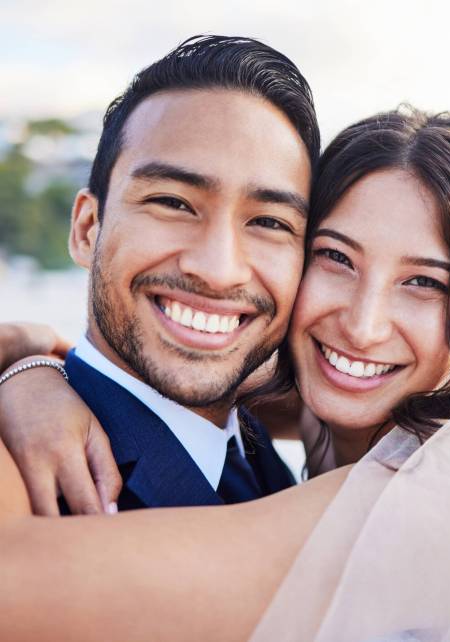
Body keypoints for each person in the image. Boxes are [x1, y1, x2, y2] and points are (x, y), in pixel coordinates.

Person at [0, 106, 450, 642]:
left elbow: (13, 587)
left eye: (425, 283)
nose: (363, 328)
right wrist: (29, 363)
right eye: (336, 257)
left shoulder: (437, 496)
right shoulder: (319, 410)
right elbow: (176, 380)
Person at [0, 34, 322, 515]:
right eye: (172, 203)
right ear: (88, 229)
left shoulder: (255, 438)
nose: (218, 270)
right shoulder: (23, 480)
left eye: (270, 222)